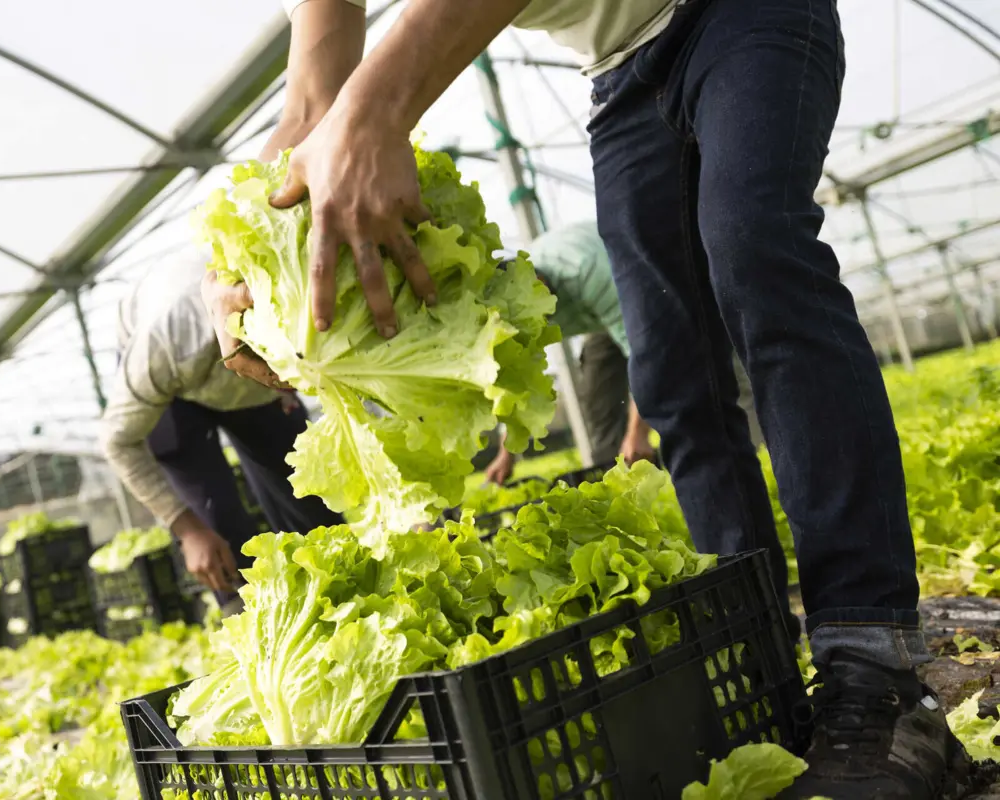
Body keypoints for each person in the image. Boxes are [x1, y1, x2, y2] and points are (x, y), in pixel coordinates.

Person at [203, 0, 961, 796]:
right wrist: (248, 250)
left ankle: (877, 672)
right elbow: (309, 105)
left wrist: (379, 109)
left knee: (755, 249)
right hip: (619, 70)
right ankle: (756, 658)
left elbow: (355, 109)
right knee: (674, 378)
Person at [100, 254, 343, 603]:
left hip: (246, 377)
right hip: (177, 390)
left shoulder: (306, 299)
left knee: (310, 499)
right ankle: (249, 619)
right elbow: (117, 442)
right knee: (218, 532)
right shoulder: (167, 343)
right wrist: (188, 529)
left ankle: (340, 598)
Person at [483, 220, 762, 485]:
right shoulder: (515, 313)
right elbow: (521, 380)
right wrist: (507, 453)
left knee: (720, 374)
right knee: (599, 398)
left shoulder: (583, 270)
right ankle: (622, 490)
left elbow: (646, 351)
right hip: (602, 314)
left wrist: (638, 432)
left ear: (539, 281)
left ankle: (757, 466)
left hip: (649, 285)